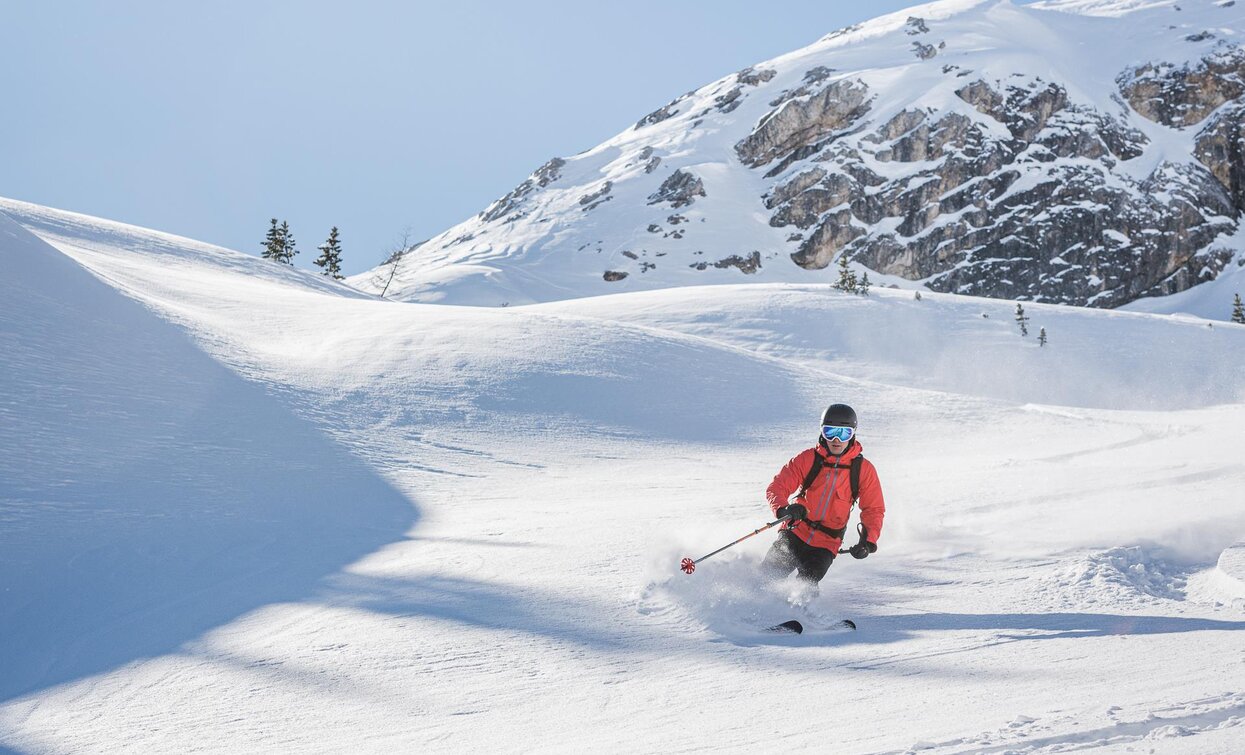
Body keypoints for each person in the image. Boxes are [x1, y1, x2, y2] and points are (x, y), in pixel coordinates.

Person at [760, 403, 885, 586]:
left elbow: (874, 509)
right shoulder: (808, 459)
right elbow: (777, 487)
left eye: (844, 433)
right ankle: (749, 607)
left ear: (853, 434)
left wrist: (868, 541)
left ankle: (801, 612)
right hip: (795, 531)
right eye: (830, 432)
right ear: (822, 431)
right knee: (767, 576)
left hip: (826, 543)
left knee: (806, 583)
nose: (836, 439)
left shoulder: (863, 470)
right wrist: (784, 509)